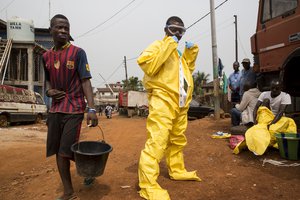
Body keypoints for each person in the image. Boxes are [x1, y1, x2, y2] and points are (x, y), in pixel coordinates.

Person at [137, 16, 201, 200]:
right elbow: (148, 65)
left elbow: (185, 71)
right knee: (158, 140)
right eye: (174, 29)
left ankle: (177, 169)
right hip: (163, 99)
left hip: (180, 102)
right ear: (166, 29)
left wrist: (189, 53)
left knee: (177, 138)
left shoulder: (177, 53)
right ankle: (148, 184)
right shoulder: (158, 46)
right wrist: (169, 45)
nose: (178, 33)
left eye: (181, 30)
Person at [43, 14, 98, 200]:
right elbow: (48, 83)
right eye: (59, 27)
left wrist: (91, 108)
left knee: (65, 150)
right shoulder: (46, 56)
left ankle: (70, 191)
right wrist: (49, 92)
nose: (64, 31)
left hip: (74, 108)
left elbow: (85, 81)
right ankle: (72, 187)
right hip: (55, 110)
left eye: (66, 28)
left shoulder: (78, 53)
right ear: (50, 30)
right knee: (60, 150)